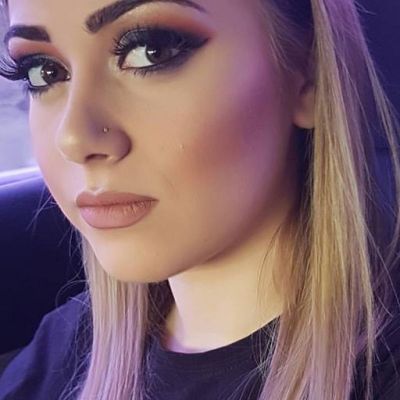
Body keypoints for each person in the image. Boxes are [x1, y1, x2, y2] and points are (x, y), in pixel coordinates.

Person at [0, 0, 400, 399]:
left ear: (309, 75)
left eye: (151, 50)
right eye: (44, 72)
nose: (73, 138)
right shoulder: (65, 346)